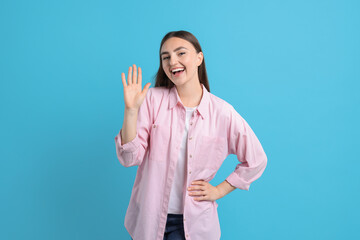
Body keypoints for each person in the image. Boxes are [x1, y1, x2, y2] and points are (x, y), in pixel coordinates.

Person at [114, 30, 267, 240]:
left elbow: (257, 159)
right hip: (149, 220)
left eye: (180, 53)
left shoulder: (222, 112)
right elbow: (129, 158)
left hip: (196, 224)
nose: (172, 61)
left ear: (199, 58)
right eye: (165, 57)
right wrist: (131, 112)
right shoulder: (151, 100)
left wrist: (219, 190)